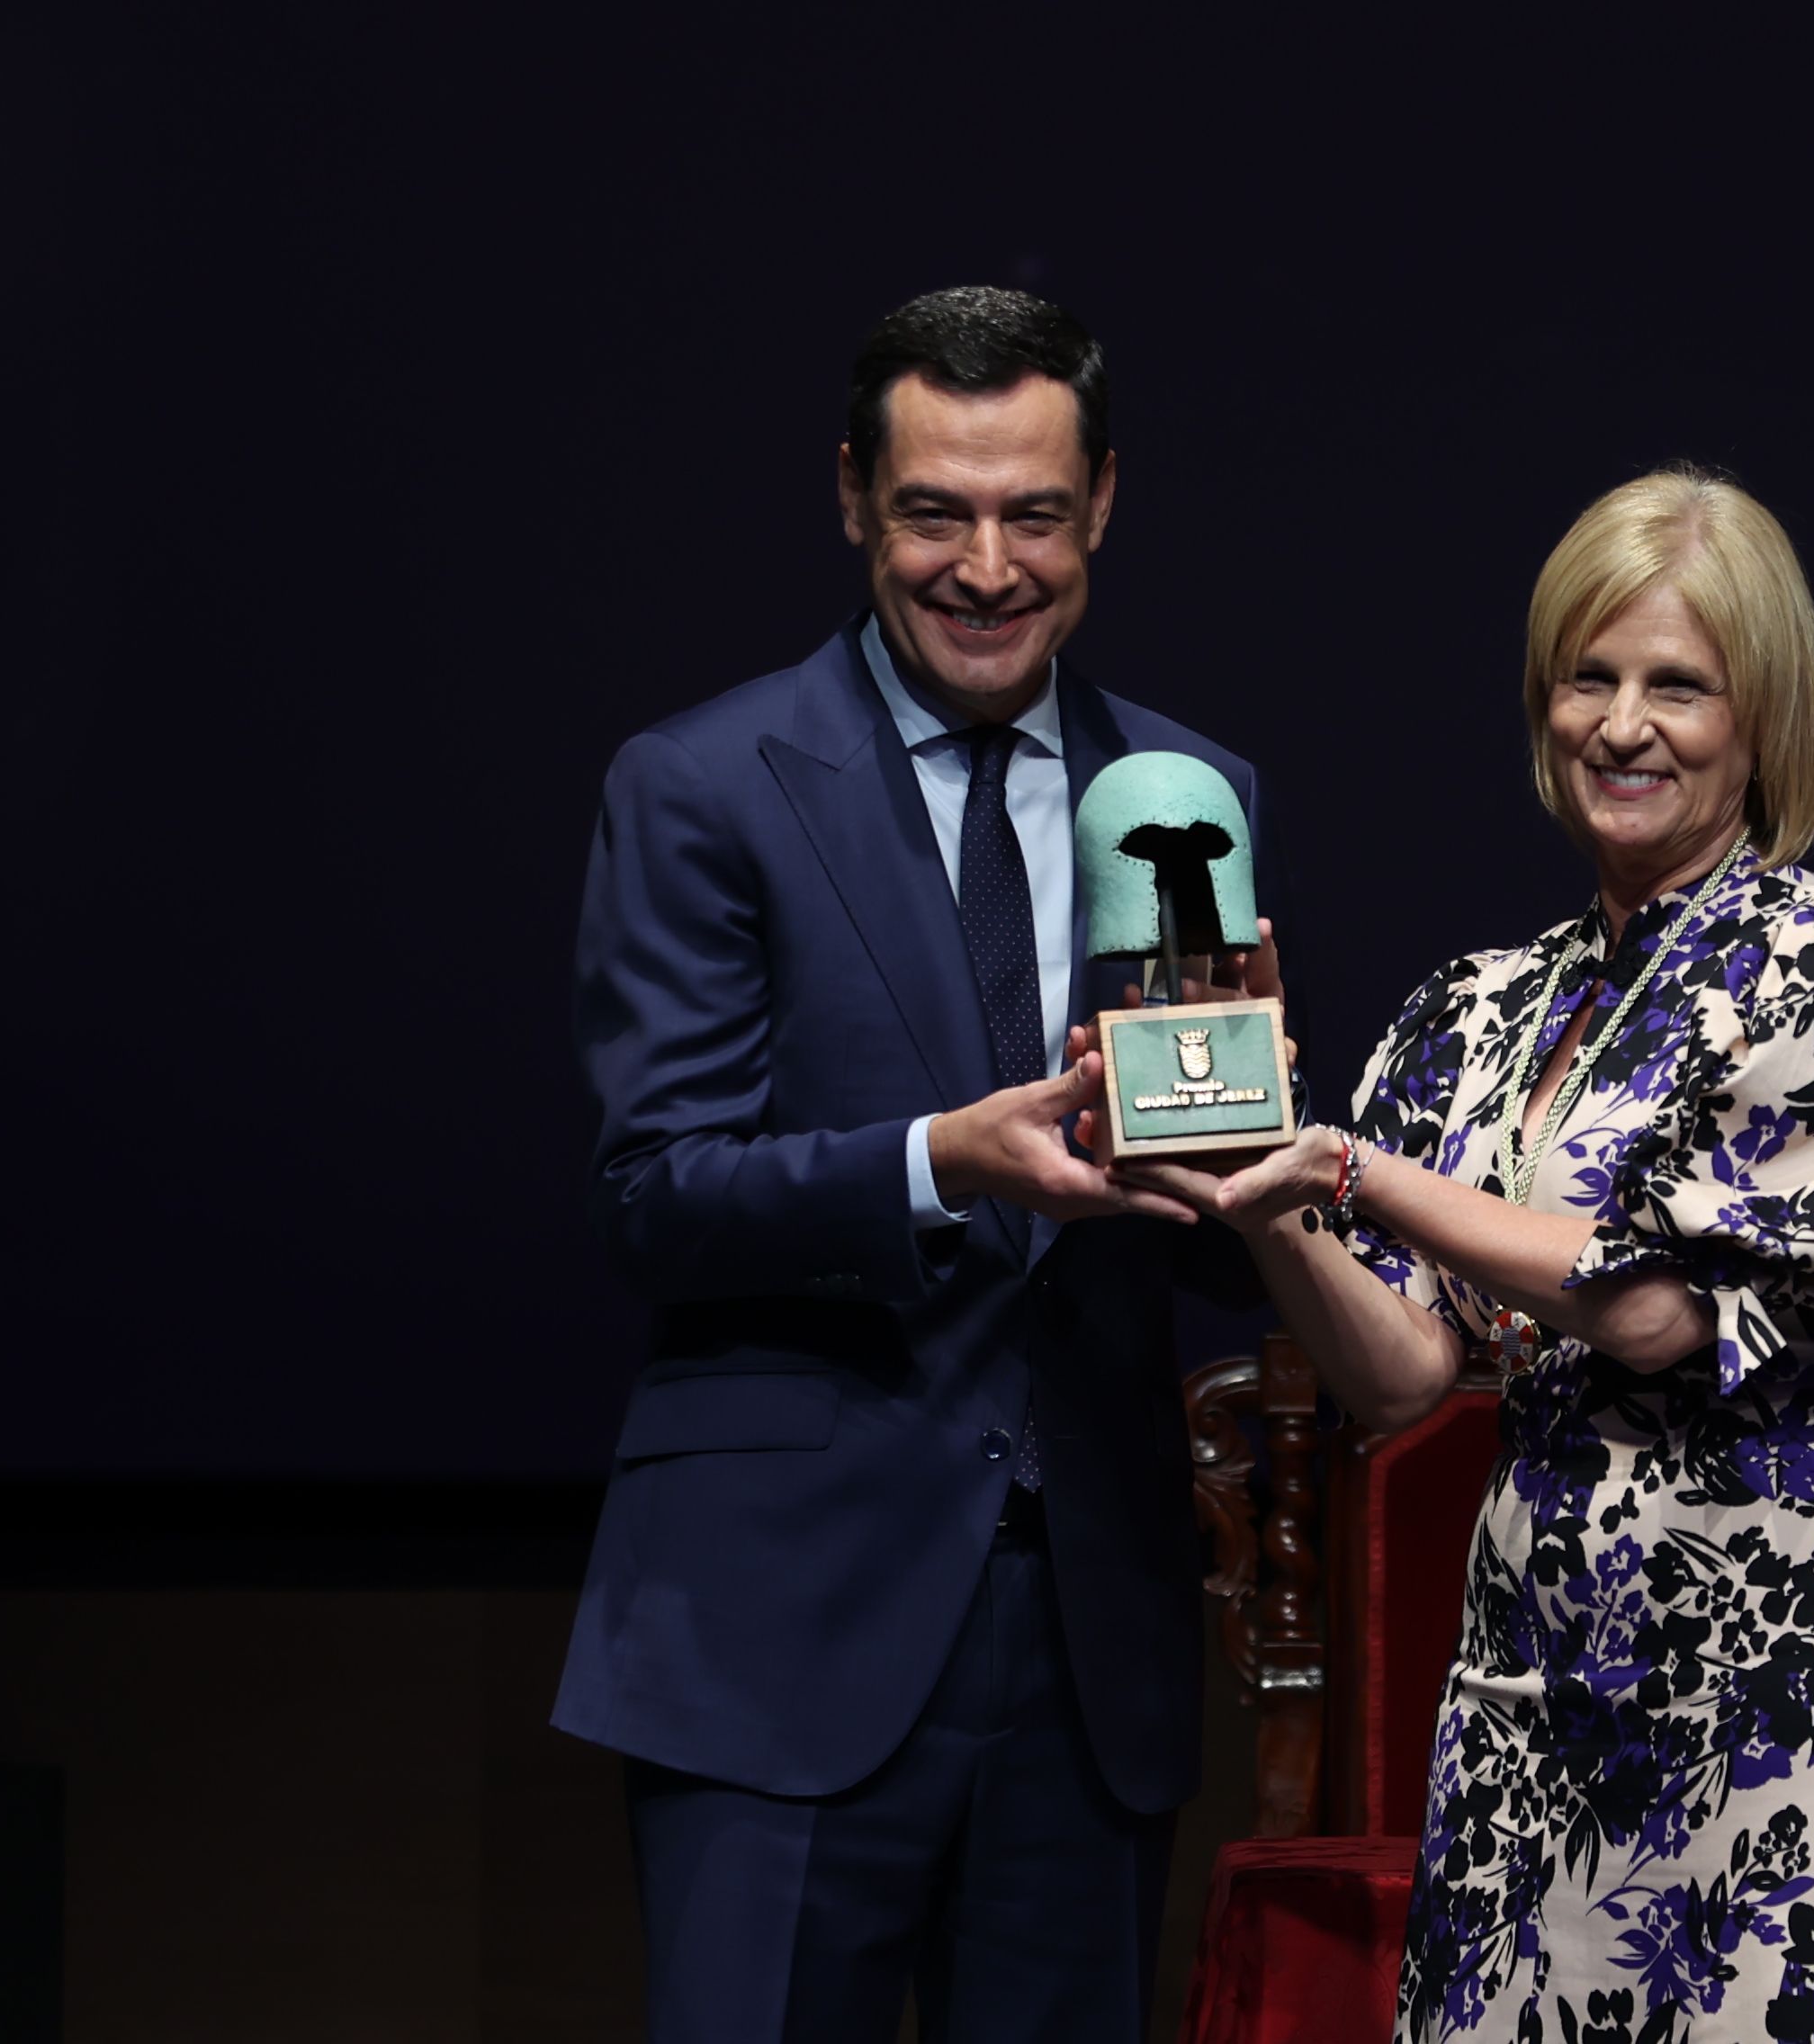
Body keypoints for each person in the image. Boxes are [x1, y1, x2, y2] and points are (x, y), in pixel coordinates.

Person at [1113, 468, 1814, 2041]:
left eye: (1678, 685)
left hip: (1774, 1701)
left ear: (1763, 716)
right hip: (1532, 1680)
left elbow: (1649, 1310)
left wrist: (1353, 1166)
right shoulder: (1479, 1006)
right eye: (1591, 676)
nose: (1623, 725)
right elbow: (1403, 1372)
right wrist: (1270, 1179)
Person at [552, 285, 1276, 2042]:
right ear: (855, 501)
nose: (986, 563)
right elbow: (659, 1191)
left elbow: (1226, 1236)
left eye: (1032, 511)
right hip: (778, 1615)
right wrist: (938, 1161)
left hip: (1090, 1632)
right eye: (936, 511)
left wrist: (1252, 1155)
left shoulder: (1185, 790)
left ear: (1101, 501)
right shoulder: (704, 782)